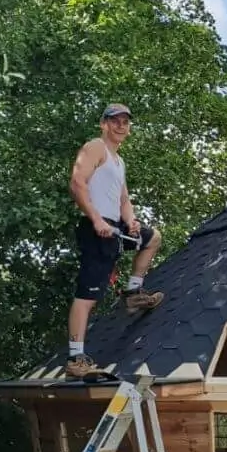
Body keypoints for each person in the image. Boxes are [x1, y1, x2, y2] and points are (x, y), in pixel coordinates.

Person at [65, 103, 164, 379]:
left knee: (151, 238)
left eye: (125, 122)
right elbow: (77, 182)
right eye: (115, 121)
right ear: (104, 124)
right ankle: (75, 359)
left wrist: (131, 221)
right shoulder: (95, 147)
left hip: (115, 226)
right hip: (95, 227)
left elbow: (123, 199)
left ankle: (133, 294)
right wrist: (96, 219)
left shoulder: (118, 161)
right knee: (87, 296)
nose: (121, 126)